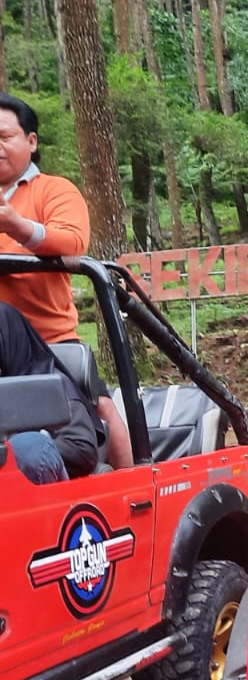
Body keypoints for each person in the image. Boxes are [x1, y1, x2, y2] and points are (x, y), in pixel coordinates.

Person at [0, 93, 131, 468]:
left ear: (31, 141)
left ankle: (134, 481)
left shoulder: (53, 190)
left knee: (99, 405)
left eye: (4, 137)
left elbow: (73, 241)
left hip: (50, 337)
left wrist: (17, 226)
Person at [0, 300, 102, 482]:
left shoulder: (50, 384)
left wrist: (9, 450)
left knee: (30, 447)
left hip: (42, 486)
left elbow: (82, 448)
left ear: (8, 341)